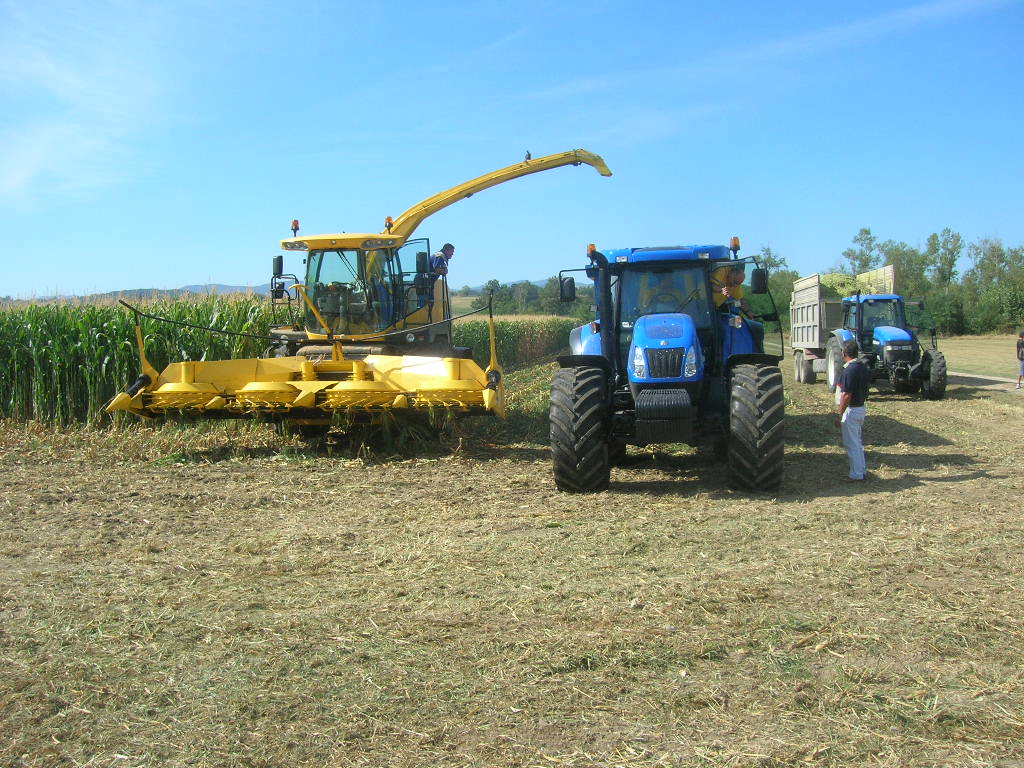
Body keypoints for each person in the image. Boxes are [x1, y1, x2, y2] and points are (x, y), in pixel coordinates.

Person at [834, 339, 870, 481]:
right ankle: (861, 470)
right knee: (857, 443)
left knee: (851, 444)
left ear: (844, 352)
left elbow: (847, 394)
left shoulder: (850, 370)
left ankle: (856, 475)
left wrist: (839, 414)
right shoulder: (862, 367)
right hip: (860, 408)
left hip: (852, 410)